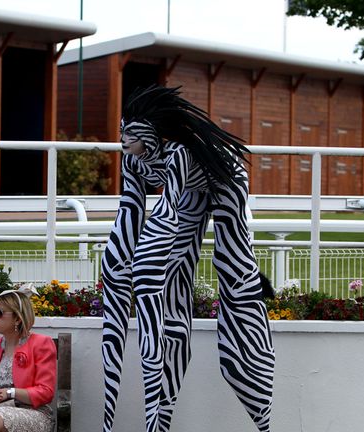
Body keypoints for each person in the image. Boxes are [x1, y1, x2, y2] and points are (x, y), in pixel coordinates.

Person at [100, 85, 274, 432]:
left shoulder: (177, 153)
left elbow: (168, 211)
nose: (123, 139)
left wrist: (144, 264)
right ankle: (159, 418)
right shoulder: (133, 160)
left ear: (151, 134)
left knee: (230, 264)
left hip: (224, 182)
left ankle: (253, 374)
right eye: (122, 130)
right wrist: (116, 262)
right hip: (191, 194)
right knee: (170, 276)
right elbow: (129, 211)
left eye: (131, 133)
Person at [0, 285, 56, 432]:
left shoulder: (41, 343)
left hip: (34, 412)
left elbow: (46, 392)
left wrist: (10, 392)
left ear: (17, 318)